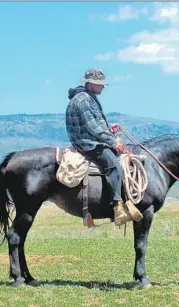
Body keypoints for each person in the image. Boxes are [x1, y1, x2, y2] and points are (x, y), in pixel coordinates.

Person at [65, 68, 129, 226]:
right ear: (90, 84)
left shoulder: (87, 97)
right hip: (88, 142)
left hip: (90, 139)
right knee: (113, 164)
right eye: (99, 84)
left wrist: (109, 128)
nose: (103, 87)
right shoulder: (84, 100)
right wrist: (113, 141)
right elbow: (93, 127)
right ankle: (117, 206)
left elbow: (96, 124)